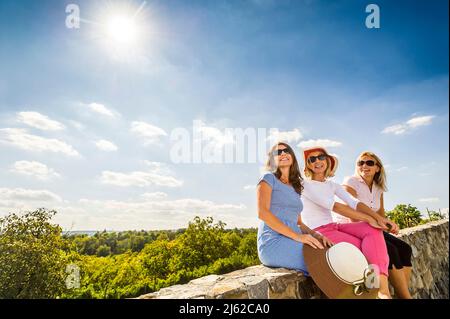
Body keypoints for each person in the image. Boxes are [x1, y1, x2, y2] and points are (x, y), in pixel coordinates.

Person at [299, 146, 396, 299]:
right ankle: (375, 289)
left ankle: (382, 290)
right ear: (308, 165)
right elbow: (335, 206)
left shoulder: (332, 185)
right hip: (319, 231)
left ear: (328, 161)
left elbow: (353, 201)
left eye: (321, 157)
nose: (317, 161)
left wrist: (378, 219)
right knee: (363, 246)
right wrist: (370, 218)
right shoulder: (305, 185)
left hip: (334, 227)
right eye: (312, 159)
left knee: (372, 229)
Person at [339, 151, 413, 299]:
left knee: (405, 248)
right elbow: (352, 215)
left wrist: (390, 226)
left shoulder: (378, 188)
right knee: (390, 250)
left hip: (371, 228)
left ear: (377, 168)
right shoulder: (351, 182)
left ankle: (403, 292)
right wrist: (377, 224)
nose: (364, 166)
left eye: (369, 163)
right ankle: (405, 296)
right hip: (351, 228)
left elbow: (380, 215)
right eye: (361, 163)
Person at [256, 143, 333, 274]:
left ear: (292, 156)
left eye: (286, 151)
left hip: (293, 239)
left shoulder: (295, 186)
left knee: (330, 254)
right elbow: (263, 213)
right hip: (272, 242)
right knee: (321, 261)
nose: (283, 154)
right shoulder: (268, 178)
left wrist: (316, 235)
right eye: (277, 153)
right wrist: (297, 237)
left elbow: (298, 223)